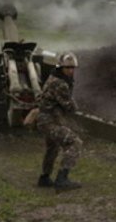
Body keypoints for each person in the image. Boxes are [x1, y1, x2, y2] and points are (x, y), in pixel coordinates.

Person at [35, 52, 83, 192]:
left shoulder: (53, 77)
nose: (70, 70)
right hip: (50, 121)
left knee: (53, 148)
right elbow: (68, 106)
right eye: (67, 68)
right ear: (60, 68)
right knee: (75, 143)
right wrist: (76, 108)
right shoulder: (60, 83)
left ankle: (44, 178)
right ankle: (62, 179)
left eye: (72, 68)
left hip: (47, 119)